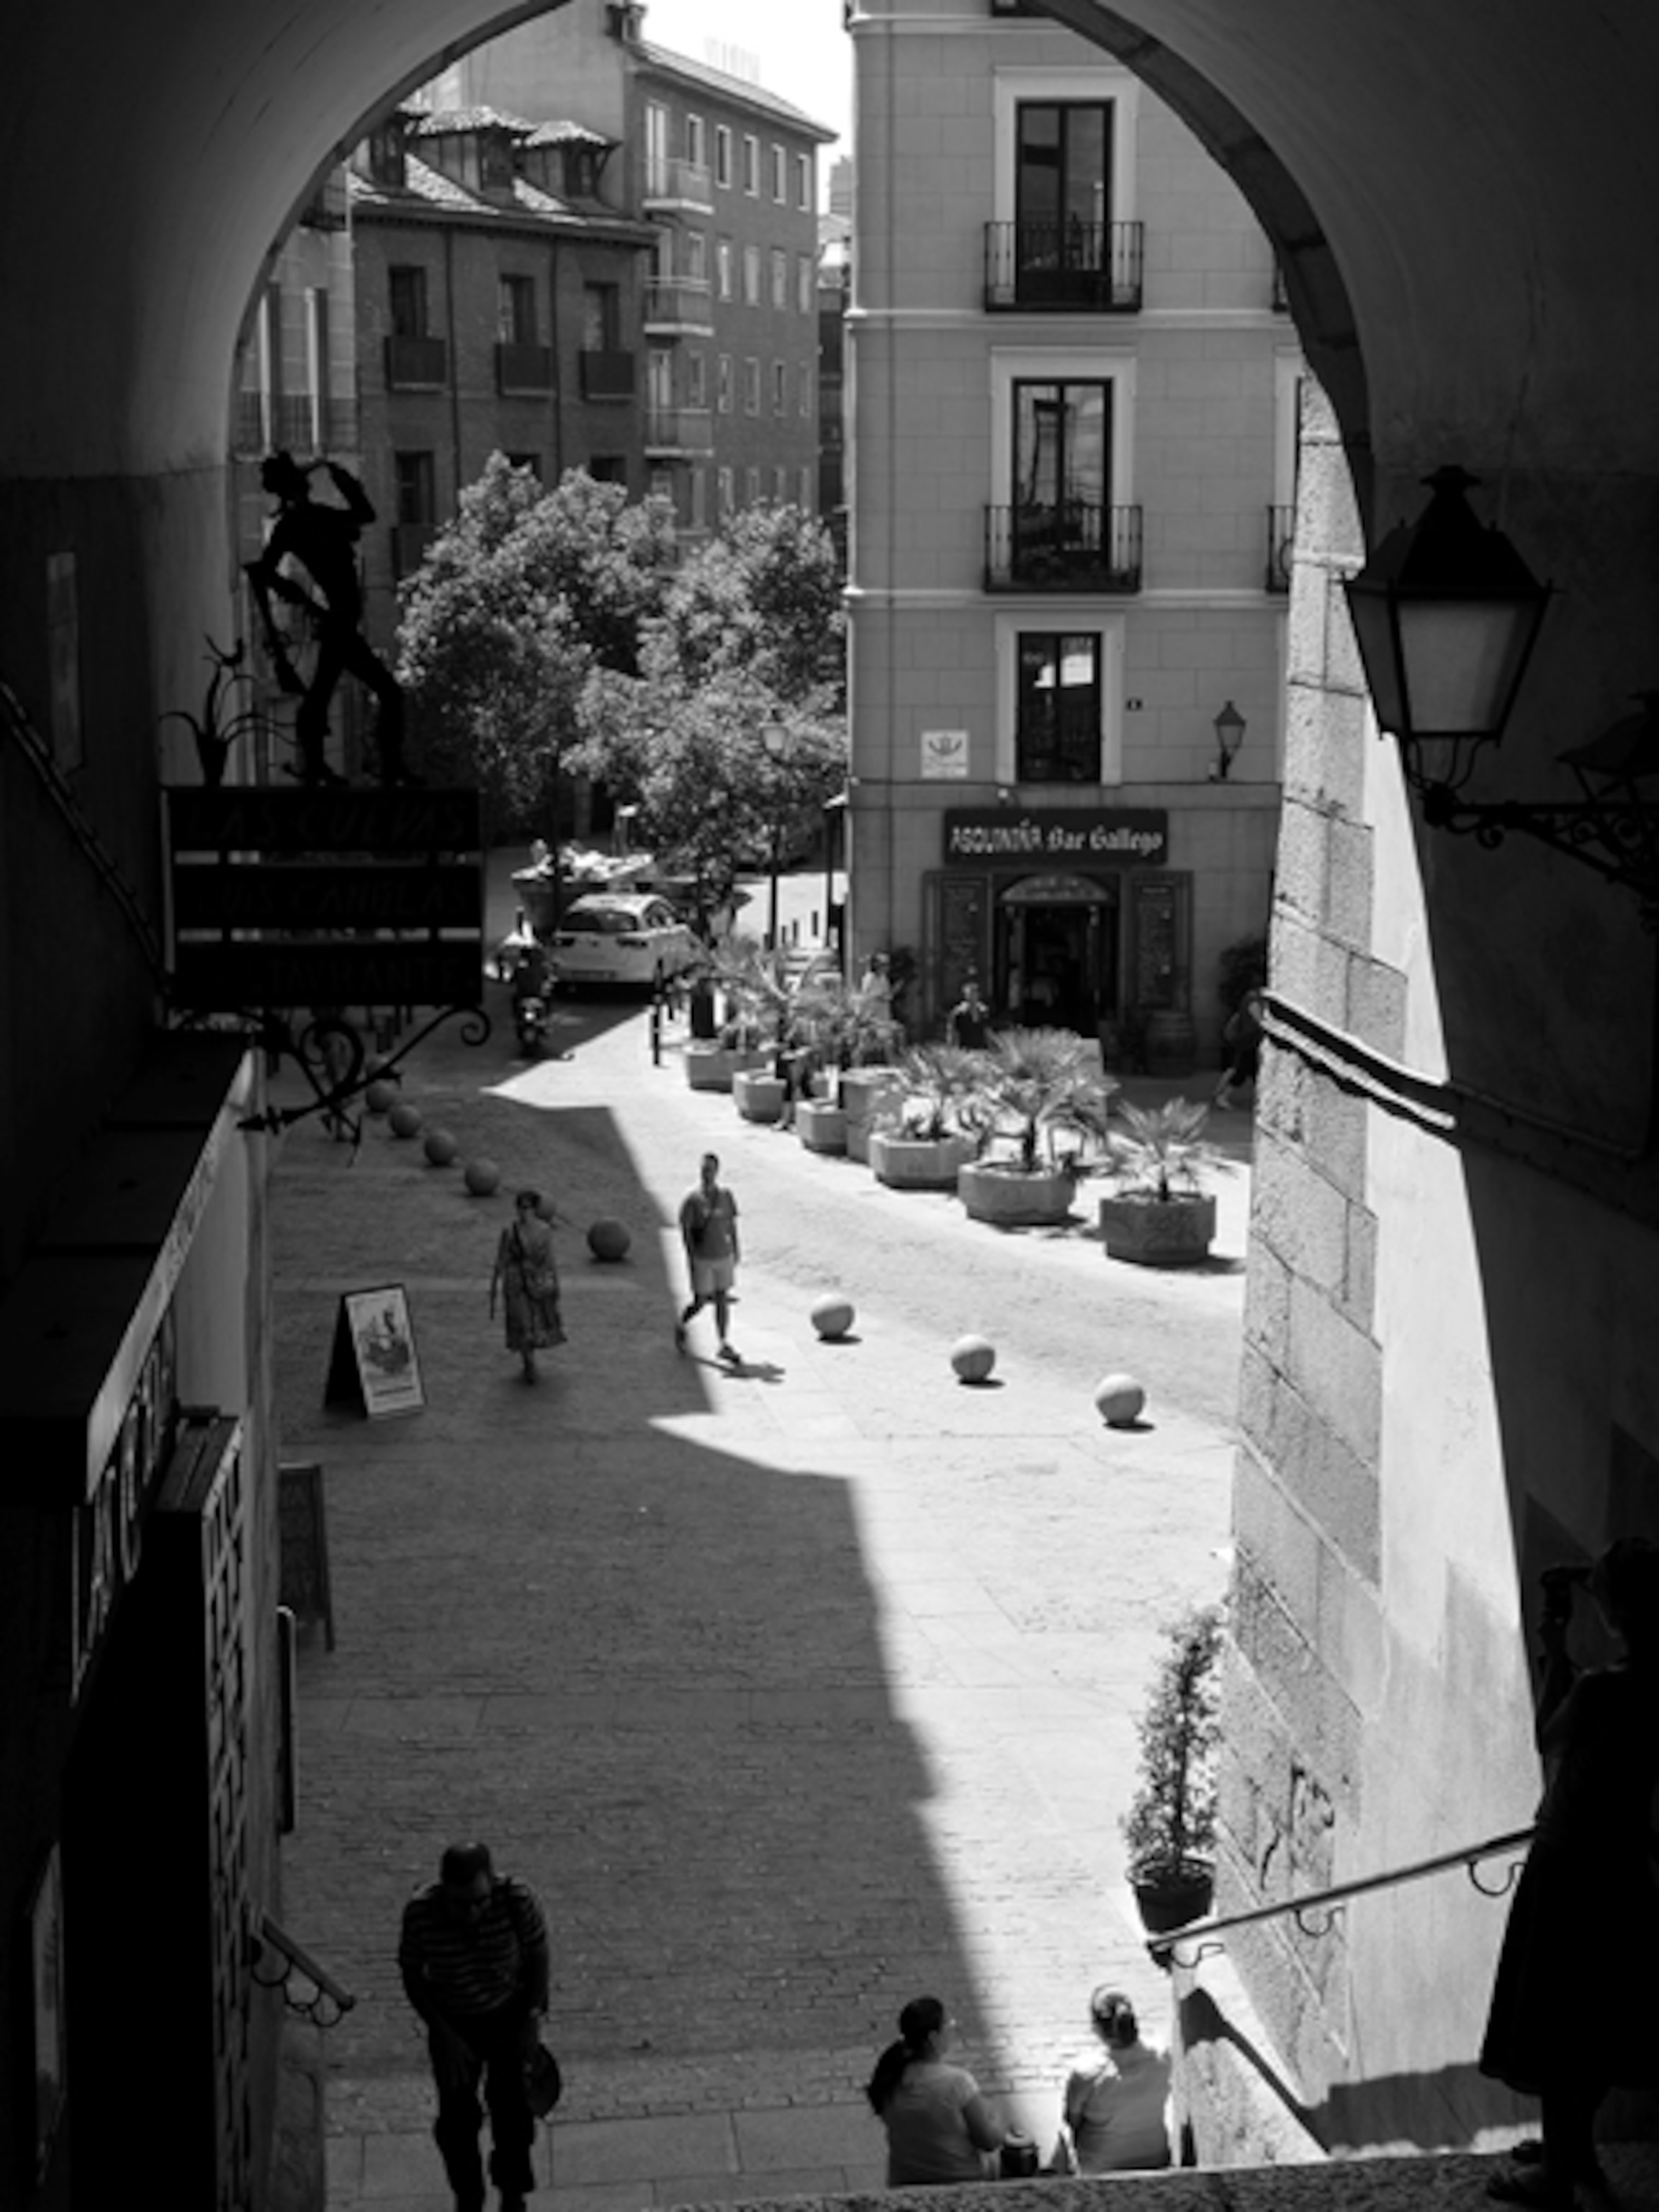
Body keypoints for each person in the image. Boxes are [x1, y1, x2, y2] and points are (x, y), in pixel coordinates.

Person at [1478, 1537, 1659, 2208]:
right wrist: (1594, 1579)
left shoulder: (1599, 1689)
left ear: (1614, 1611)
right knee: (1599, 2018)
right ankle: (1573, 2148)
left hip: (1569, 1864)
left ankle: (1558, 2174)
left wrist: (1555, 1650)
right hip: (1623, 1864)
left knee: (1556, 2019)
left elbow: (1548, 1738)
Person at [244, 450, 417, 787]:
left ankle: (319, 766)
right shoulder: (313, 520)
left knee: (323, 694)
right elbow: (366, 514)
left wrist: (296, 596)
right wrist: (342, 479)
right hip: (340, 621)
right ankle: (386, 767)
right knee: (384, 692)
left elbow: (262, 572)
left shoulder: (292, 526)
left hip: (338, 619)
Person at [398, 1841, 551, 2212]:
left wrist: (532, 2018)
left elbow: (538, 1954)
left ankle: (512, 2194)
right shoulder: (421, 1914)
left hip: (508, 2016)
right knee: (457, 2123)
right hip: (454, 2023)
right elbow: (413, 1974)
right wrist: (442, 2032)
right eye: (461, 1904)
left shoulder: (516, 1900)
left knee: (513, 2114)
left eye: (480, 1902)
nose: (472, 1913)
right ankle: (468, 2196)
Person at [865, 1995, 1006, 2186]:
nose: (953, 2029)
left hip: (904, 2180)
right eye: (949, 2025)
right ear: (933, 2037)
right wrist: (997, 2118)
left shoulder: (889, 2078)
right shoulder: (957, 2082)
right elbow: (989, 2141)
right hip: (961, 2179)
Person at [1058, 1987, 1172, 2174]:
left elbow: (1072, 2120)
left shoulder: (1086, 2073)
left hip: (1101, 2167)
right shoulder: (1163, 2055)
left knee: (1062, 2136)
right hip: (1155, 2157)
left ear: (1097, 2028)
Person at [490, 1190, 565, 1383]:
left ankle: (530, 1359)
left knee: (536, 1323)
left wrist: (555, 1283)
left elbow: (550, 1259)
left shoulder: (544, 1231)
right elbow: (501, 1259)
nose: (524, 1212)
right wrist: (495, 1284)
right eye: (521, 1208)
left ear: (535, 1209)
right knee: (522, 1324)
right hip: (516, 1284)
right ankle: (529, 1363)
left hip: (538, 1283)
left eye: (528, 1208)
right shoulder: (510, 1231)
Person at [675, 1151, 741, 1362]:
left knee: (722, 1298)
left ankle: (723, 1342)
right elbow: (686, 1230)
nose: (707, 1174)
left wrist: (736, 1249)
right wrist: (691, 1255)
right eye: (704, 1170)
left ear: (717, 1171)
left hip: (723, 1255)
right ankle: (681, 1323)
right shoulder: (692, 1199)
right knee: (700, 1301)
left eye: (710, 1170)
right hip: (702, 1258)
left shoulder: (726, 1196)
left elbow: (731, 1224)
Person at [1214, 987, 1265, 1110]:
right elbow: (1260, 1021)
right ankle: (1223, 1096)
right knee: (1243, 1071)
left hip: (1249, 1040)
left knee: (1250, 1071)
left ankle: (1262, 1099)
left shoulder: (1249, 998)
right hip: (1250, 1040)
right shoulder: (1253, 1001)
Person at [948, 977, 992, 1050]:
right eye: (971, 993)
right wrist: (952, 1049)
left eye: (975, 993)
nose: (973, 996)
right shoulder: (958, 1013)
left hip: (981, 1050)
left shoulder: (983, 1011)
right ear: (965, 995)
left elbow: (987, 1031)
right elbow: (952, 1032)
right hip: (965, 1050)